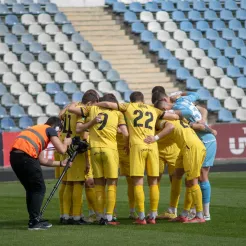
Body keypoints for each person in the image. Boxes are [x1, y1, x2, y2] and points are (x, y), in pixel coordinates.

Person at [96, 91, 178, 225]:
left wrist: (95, 105)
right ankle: (153, 215)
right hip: (152, 146)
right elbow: (173, 117)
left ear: (131, 100)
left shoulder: (128, 107)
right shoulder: (153, 109)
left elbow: (106, 103)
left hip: (137, 146)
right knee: (153, 182)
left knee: (138, 182)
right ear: (143, 99)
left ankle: (141, 216)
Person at [70, 93, 129, 225]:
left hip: (95, 150)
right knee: (112, 184)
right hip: (110, 150)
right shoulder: (118, 113)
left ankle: (100, 216)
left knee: (99, 184)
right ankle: (109, 217)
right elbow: (125, 133)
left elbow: (72, 109)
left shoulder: (92, 109)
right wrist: (126, 145)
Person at [157, 91, 217, 221]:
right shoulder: (182, 101)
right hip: (190, 144)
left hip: (200, 142)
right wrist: (179, 94)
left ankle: (202, 214)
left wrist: (204, 126)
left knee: (198, 178)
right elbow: (199, 103)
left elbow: (190, 114)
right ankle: (181, 213)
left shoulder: (175, 111)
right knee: (177, 174)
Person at [147, 100, 207, 223]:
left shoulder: (166, 120)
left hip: (191, 147)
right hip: (185, 148)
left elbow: (170, 126)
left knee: (192, 181)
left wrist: (155, 138)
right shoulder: (179, 117)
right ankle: (178, 212)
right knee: (177, 175)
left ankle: (200, 215)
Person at [10, 117, 72, 230]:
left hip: (15, 157)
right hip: (26, 157)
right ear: (56, 128)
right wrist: (66, 142)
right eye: (59, 132)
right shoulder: (50, 130)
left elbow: (42, 160)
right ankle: (34, 222)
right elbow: (62, 150)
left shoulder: (37, 130)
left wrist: (61, 163)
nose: (58, 135)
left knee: (31, 189)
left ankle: (34, 219)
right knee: (39, 188)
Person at [58, 91, 99, 225]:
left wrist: (70, 104)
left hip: (64, 144)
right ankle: (76, 216)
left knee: (67, 182)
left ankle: (65, 215)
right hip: (75, 147)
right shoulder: (82, 110)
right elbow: (81, 131)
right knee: (77, 183)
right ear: (89, 103)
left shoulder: (69, 110)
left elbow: (60, 115)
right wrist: (88, 162)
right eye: (94, 105)